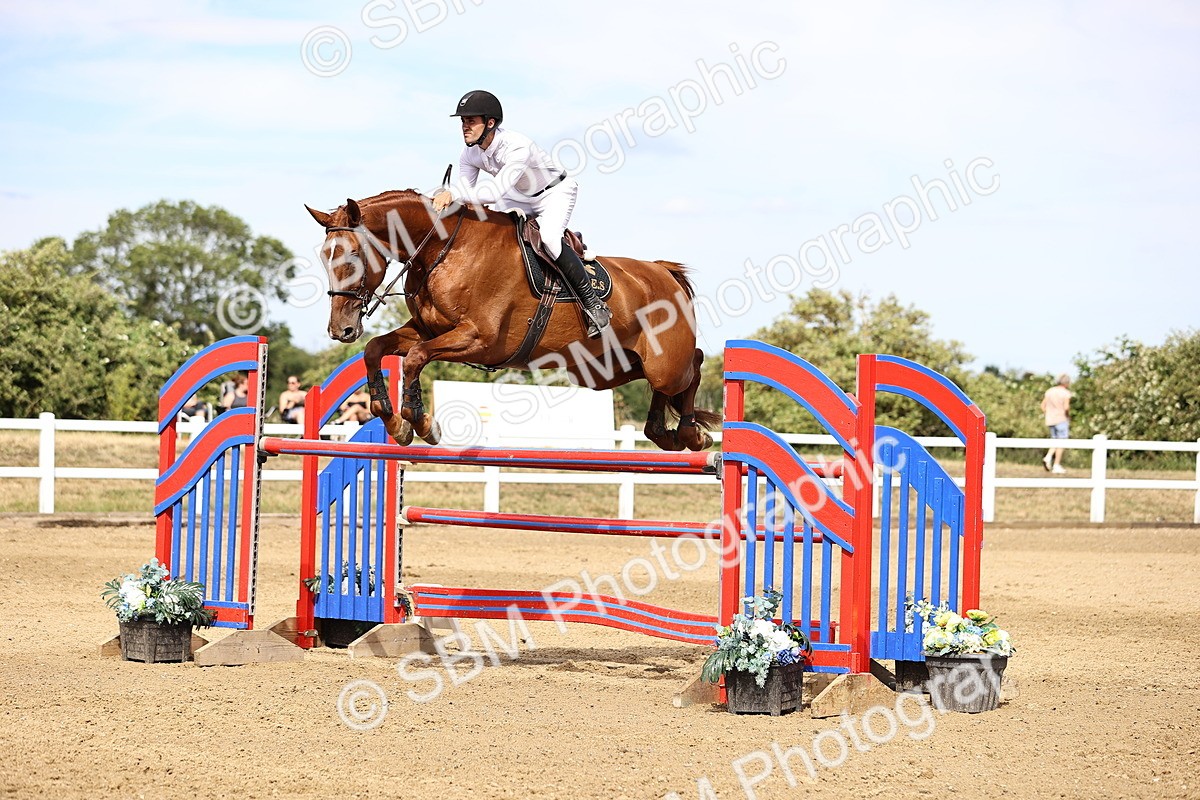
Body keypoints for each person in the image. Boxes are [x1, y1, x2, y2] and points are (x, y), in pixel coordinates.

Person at [431, 89, 611, 339]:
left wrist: (453, 194)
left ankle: (595, 305)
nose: (464, 127)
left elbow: (492, 192)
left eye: (470, 121)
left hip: (553, 192)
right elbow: (466, 191)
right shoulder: (469, 153)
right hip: (517, 195)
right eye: (463, 121)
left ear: (490, 123)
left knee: (548, 238)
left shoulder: (517, 146)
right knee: (494, 233)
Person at [1041, 374, 1072, 473]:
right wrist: (1067, 416)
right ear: (1066, 383)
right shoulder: (1065, 393)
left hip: (1050, 419)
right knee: (1061, 442)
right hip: (1061, 419)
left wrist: (1048, 414)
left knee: (1055, 440)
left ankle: (1048, 457)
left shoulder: (1049, 391)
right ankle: (1056, 464)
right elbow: (1066, 407)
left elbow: (1043, 405)